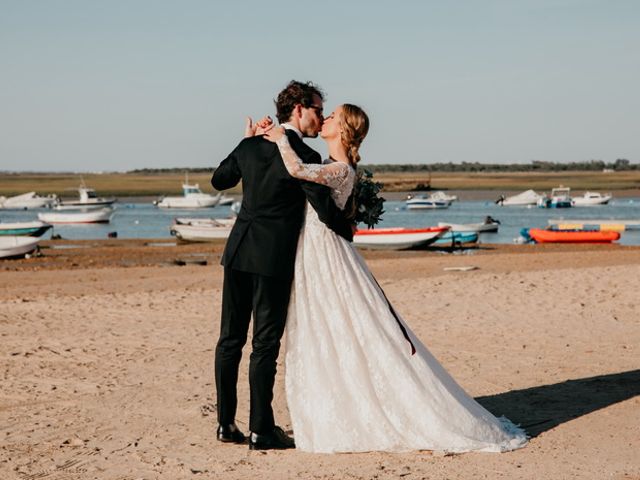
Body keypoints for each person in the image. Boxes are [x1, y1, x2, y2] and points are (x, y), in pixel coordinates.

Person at [253, 103, 529, 453]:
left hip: (325, 251)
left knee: (345, 323)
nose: (325, 119)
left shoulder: (340, 169)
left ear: (343, 130)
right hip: (311, 249)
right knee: (323, 325)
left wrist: (279, 138)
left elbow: (293, 168)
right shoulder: (328, 164)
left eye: (333, 117)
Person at [211, 81, 354, 450]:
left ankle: (226, 424)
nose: (321, 117)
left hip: (238, 251)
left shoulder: (251, 144)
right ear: (299, 110)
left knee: (229, 340)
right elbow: (324, 209)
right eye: (318, 110)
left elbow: (219, 180)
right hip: (273, 258)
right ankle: (261, 429)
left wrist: (244, 141)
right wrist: (348, 227)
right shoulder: (301, 152)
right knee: (264, 344)